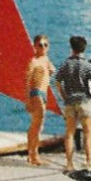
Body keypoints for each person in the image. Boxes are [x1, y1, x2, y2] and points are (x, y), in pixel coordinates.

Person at [54, 35, 91, 171]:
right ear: (84, 48)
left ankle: (69, 164)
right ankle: (89, 163)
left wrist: (64, 96)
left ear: (71, 48)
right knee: (88, 133)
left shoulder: (65, 64)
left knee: (69, 133)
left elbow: (57, 83)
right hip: (84, 101)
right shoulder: (88, 65)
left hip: (70, 102)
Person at [24, 34, 55, 166]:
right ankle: (34, 155)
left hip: (43, 93)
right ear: (35, 46)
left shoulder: (46, 59)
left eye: (45, 45)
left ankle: (31, 153)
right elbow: (27, 81)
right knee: (37, 126)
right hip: (35, 93)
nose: (42, 47)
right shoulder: (33, 61)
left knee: (37, 125)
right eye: (40, 45)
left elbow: (53, 71)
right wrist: (27, 100)